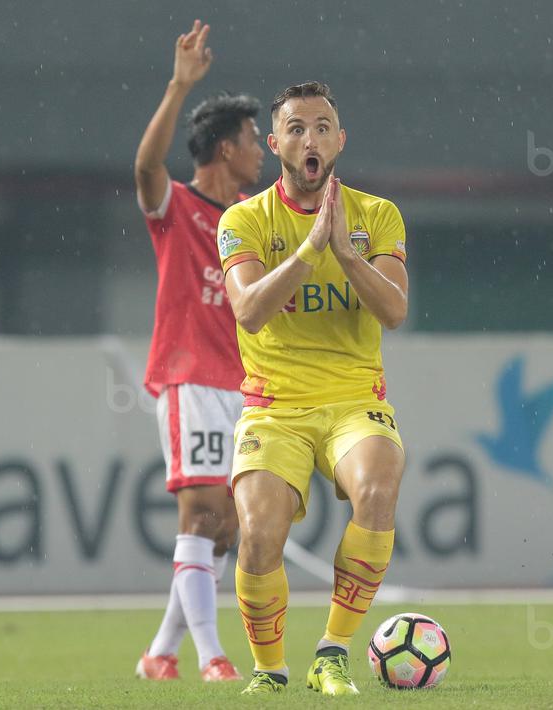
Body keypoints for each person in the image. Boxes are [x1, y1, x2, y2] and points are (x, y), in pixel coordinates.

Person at [217, 81, 410, 695]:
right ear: (275, 143)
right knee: (258, 536)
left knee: (378, 490)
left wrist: (348, 255)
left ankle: (332, 652)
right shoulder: (243, 219)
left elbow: (395, 310)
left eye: (323, 126)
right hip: (274, 407)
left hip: (356, 400)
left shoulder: (377, 215)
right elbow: (247, 310)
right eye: (296, 128)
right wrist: (309, 249)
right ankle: (270, 671)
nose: (311, 138)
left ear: (340, 141)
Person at [132, 20, 264, 682]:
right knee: (203, 512)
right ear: (221, 148)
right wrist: (179, 85)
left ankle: (160, 654)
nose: (260, 151)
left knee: (230, 528)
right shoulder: (176, 207)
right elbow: (145, 166)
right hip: (191, 382)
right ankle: (213, 657)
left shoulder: (249, 221)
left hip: (243, 388)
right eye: (249, 140)